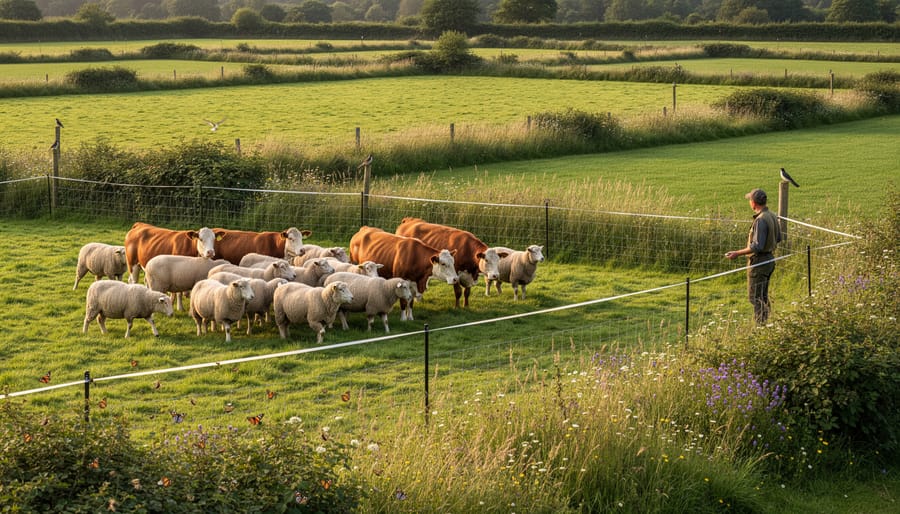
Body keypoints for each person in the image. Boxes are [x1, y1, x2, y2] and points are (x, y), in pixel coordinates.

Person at [725, 188, 782, 325]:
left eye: (750, 200)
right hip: (769, 260)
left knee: (755, 298)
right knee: (763, 296)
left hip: (759, 262)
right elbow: (779, 238)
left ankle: (760, 327)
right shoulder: (772, 215)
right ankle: (766, 325)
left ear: (754, 203)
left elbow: (757, 246)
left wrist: (736, 253)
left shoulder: (760, 220)